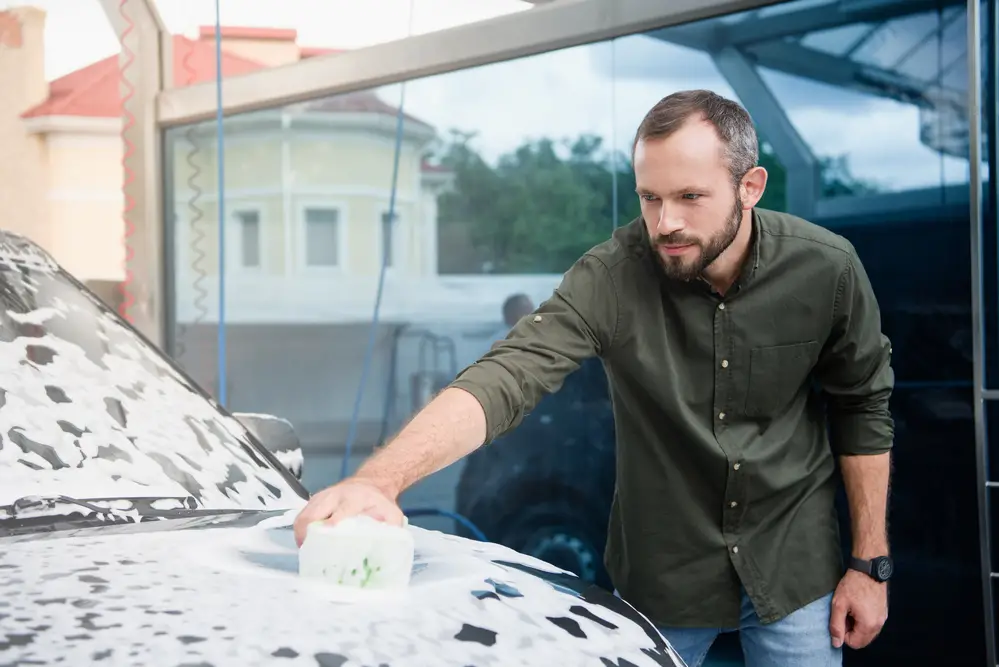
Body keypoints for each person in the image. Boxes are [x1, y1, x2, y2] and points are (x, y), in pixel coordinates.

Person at [293, 89, 893, 667]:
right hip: (666, 573)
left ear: (750, 187)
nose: (666, 223)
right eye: (650, 198)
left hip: (794, 562)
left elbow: (863, 407)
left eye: (689, 196)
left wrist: (869, 565)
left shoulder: (827, 267)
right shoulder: (612, 275)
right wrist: (382, 480)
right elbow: (510, 373)